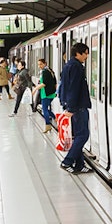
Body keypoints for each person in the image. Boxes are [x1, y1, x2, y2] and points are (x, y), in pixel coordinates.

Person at [59, 42, 92, 174]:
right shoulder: (76, 67)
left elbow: (63, 86)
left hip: (74, 106)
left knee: (78, 135)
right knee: (83, 135)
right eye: (85, 53)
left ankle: (79, 164)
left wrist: (64, 103)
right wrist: (71, 109)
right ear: (78, 53)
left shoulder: (68, 65)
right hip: (78, 107)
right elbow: (73, 88)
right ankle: (67, 161)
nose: (87, 56)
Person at [37, 58, 57, 133]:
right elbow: (55, 82)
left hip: (45, 94)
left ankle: (48, 125)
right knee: (45, 108)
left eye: (41, 64)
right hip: (51, 93)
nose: (39, 66)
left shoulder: (45, 72)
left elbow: (43, 84)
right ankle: (55, 118)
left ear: (45, 63)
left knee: (44, 109)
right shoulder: (50, 71)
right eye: (38, 64)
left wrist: (35, 89)